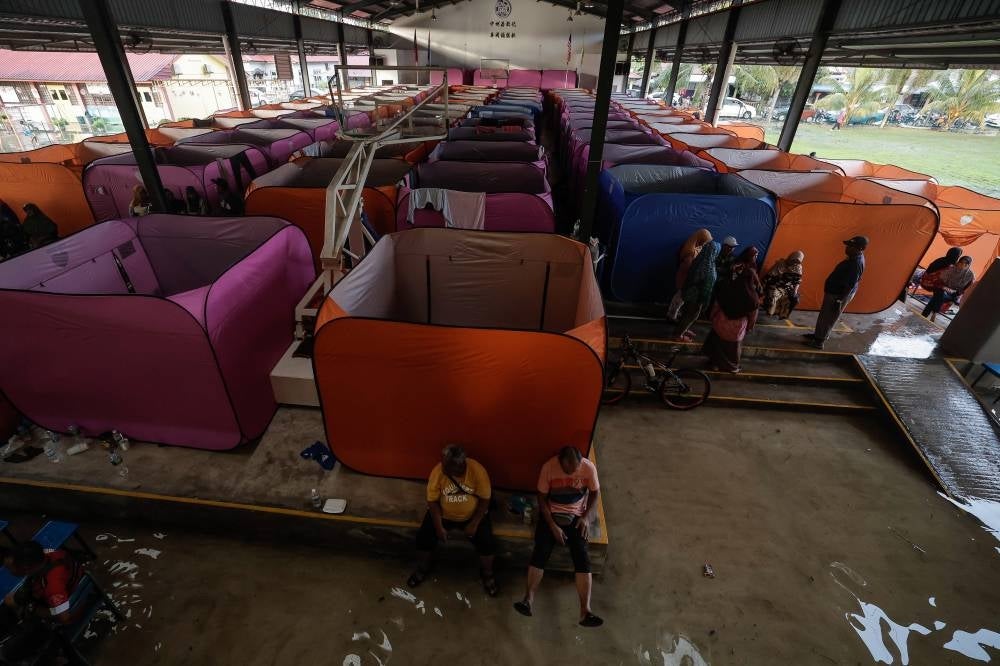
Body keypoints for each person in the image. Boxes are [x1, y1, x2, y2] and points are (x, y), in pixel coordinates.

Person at [514, 446, 602, 627]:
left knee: (582, 555)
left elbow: (595, 492)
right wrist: (552, 526)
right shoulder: (549, 467)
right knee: (541, 551)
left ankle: (585, 611)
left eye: (574, 469)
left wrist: (586, 517)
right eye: (567, 470)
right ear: (560, 462)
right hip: (552, 513)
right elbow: (541, 498)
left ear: (580, 462)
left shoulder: (588, 467)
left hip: (576, 515)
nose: (571, 473)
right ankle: (528, 600)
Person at [407, 445, 498, 596]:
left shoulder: (477, 471)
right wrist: (438, 525)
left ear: (459, 466)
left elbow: (485, 500)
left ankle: (487, 574)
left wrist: (474, 523)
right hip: (443, 514)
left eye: (446, 466)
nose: (442, 468)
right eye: (442, 463)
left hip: (472, 515)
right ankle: (422, 568)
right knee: (423, 539)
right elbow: (432, 501)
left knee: (487, 543)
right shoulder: (438, 472)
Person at [1, 541, 83, 664]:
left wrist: (32, 608)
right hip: (69, 587)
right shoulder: (48, 554)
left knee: (7, 654)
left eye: (10, 567)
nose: (9, 571)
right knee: (8, 606)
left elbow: (64, 618)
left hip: (58, 615)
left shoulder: (52, 586)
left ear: (26, 568)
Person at [704, 247, 762, 373]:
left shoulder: (727, 287)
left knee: (717, 342)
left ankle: (714, 363)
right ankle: (731, 366)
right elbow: (753, 314)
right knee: (732, 348)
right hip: (736, 327)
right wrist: (750, 327)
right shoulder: (752, 298)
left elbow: (717, 304)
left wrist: (713, 317)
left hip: (721, 321)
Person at [804, 236, 867, 350]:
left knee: (829, 317)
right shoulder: (853, 257)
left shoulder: (856, 263)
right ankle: (817, 335)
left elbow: (850, 285)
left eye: (851, 246)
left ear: (861, 248)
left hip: (839, 294)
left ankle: (819, 341)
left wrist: (840, 300)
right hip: (834, 291)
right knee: (824, 315)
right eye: (848, 245)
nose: (847, 248)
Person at [674, 240, 721, 341]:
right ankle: (679, 335)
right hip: (697, 298)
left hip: (688, 293)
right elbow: (706, 289)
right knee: (691, 316)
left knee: (686, 313)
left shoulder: (698, 261)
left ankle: (682, 329)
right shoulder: (709, 268)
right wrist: (705, 303)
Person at [667, 229, 712, 321]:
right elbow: (687, 268)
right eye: (704, 241)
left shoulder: (696, 246)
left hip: (686, 277)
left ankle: (674, 313)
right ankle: (672, 316)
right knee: (680, 298)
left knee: (680, 297)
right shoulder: (690, 252)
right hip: (685, 277)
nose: (705, 243)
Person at [924, 256, 974, 321]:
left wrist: (955, 292)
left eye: (966, 264)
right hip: (943, 289)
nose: (963, 265)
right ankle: (934, 313)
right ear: (958, 262)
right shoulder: (951, 268)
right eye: (961, 262)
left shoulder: (970, 275)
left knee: (936, 298)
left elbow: (965, 289)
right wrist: (944, 287)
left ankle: (928, 314)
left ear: (969, 265)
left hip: (954, 295)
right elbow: (941, 280)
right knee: (940, 293)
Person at [762, 250, 805, 318]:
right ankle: (770, 310)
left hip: (787, 287)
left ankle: (783, 314)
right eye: (794, 260)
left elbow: (797, 281)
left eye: (798, 261)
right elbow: (769, 276)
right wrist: (764, 287)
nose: (795, 263)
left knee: (795, 299)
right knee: (773, 296)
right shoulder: (780, 264)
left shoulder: (798, 267)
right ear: (791, 258)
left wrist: (795, 291)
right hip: (775, 286)